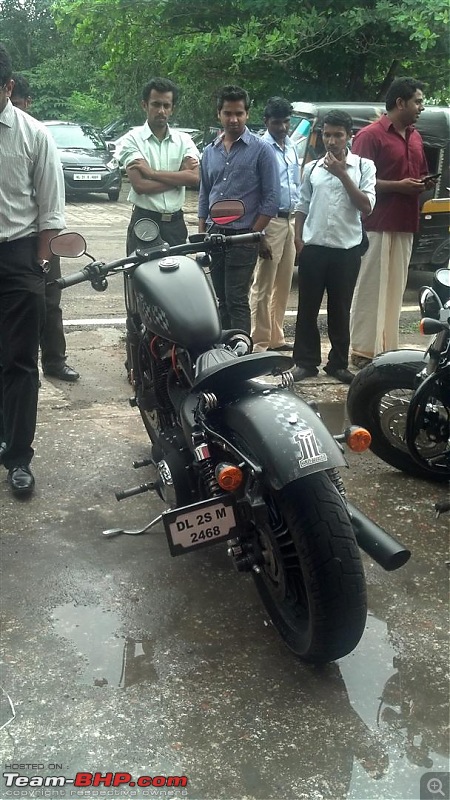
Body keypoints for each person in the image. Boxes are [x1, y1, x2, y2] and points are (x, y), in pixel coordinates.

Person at [0, 45, 66, 495]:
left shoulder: (34, 135)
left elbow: (51, 212)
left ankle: (18, 458)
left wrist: (38, 264)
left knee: (20, 363)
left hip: (18, 258)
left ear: (7, 87)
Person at [350, 77, 431, 368]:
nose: (421, 107)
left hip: (405, 221)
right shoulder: (370, 136)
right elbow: (358, 182)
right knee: (372, 286)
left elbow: (418, 174)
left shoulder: (416, 136)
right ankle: (362, 351)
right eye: (418, 101)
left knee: (395, 288)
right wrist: (399, 186)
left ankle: (387, 350)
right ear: (400, 103)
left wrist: (420, 185)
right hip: (377, 221)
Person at [291, 109, 376, 384]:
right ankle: (305, 362)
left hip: (346, 251)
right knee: (307, 309)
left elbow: (366, 206)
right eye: (327, 134)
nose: (331, 140)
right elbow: (302, 205)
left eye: (338, 135)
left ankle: (338, 364)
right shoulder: (312, 169)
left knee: (340, 309)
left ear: (349, 137)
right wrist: (298, 238)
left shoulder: (364, 167)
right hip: (314, 249)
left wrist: (342, 174)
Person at [10, 73, 79, 382]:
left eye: (17, 103)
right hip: (12, 240)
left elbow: (52, 204)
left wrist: (43, 254)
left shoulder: (36, 137)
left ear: (27, 102)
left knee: (49, 302)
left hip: (41, 238)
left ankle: (54, 360)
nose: (13, 108)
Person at [198, 85, 280, 333]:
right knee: (220, 299)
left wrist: (253, 234)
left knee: (236, 298)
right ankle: (223, 351)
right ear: (218, 115)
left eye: (239, 113)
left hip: (244, 235)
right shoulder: (209, 151)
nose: (233, 119)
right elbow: (205, 194)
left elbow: (272, 198)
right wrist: (203, 234)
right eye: (227, 113)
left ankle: (241, 354)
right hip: (214, 235)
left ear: (247, 114)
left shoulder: (261, 150)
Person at [115, 77, 200, 254]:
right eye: (156, 104)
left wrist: (152, 173)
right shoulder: (131, 140)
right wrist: (179, 177)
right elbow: (140, 186)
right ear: (144, 105)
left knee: (176, 279)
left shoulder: (184, 140)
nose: (161, 111)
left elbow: (193, 178)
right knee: (141, 278)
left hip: (176, 225)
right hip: (144, 222)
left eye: (166, 106)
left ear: (172, 108)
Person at [249, 97, 300, 352]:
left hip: (290, 220)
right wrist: (259, 233)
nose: (282, 127)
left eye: (286, 122)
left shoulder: (291, 146)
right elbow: (255, 191)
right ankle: (258, 342)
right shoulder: (259, 148)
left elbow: (295, 185)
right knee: (264, 284)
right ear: (267, 121)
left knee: (284, 283)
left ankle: (275, 338)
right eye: (277, 122)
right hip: (269, 222)